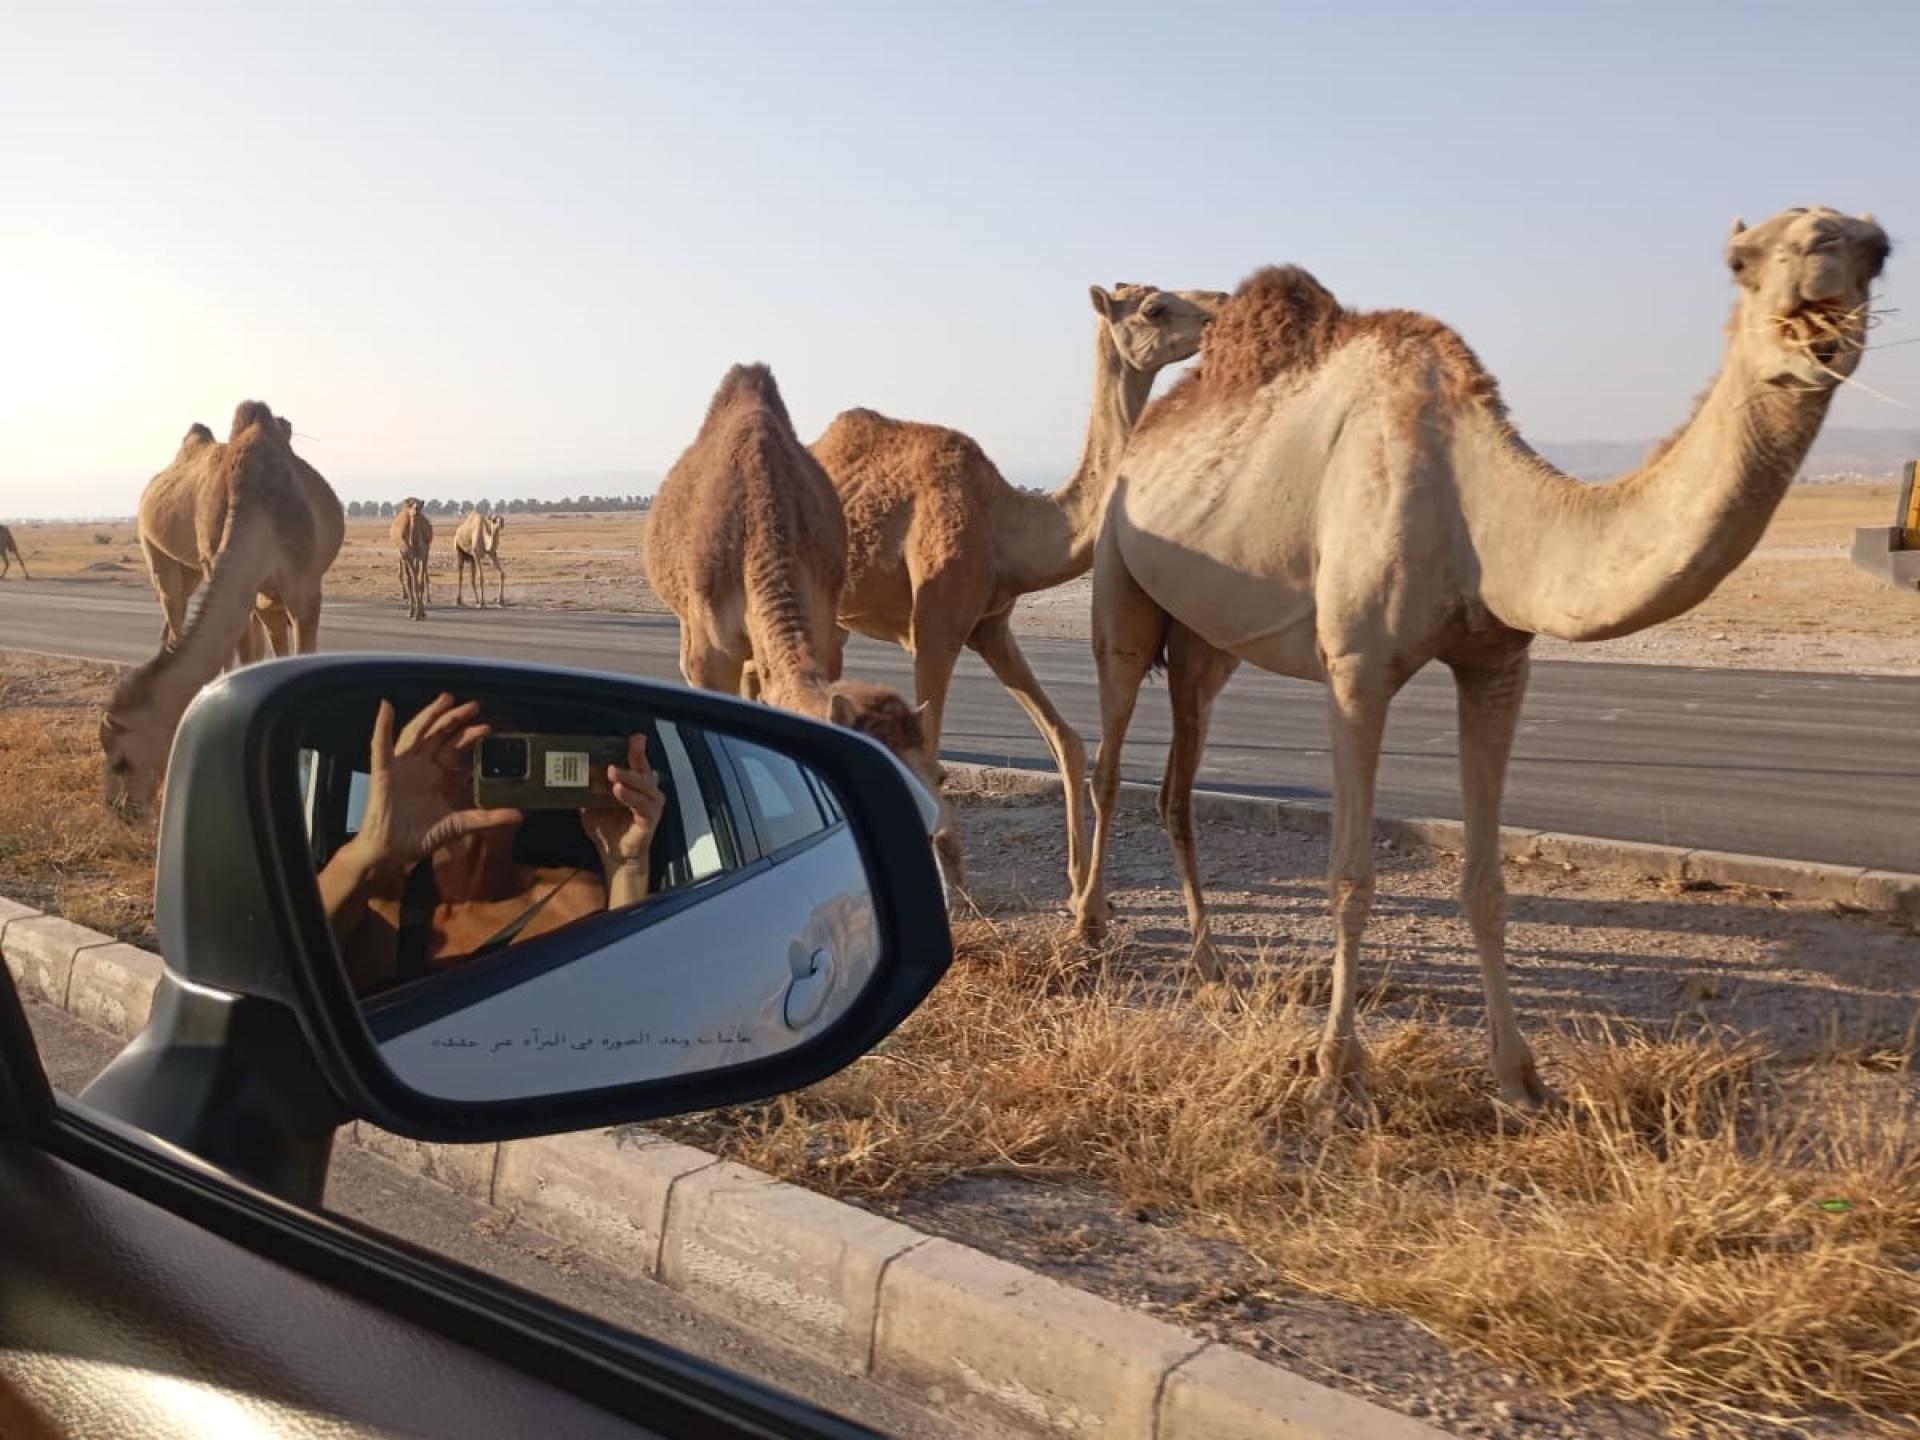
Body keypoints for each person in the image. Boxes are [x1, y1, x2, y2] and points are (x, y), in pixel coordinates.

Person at [318, 692, 665, 995]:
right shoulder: (372, 902)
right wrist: (368, 848)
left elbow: (618, 1007)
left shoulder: (571, 900)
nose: (480, 773)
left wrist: (627, 864)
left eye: (507, 757)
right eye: (465, 754)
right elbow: (277, 961)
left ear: (540, 784)